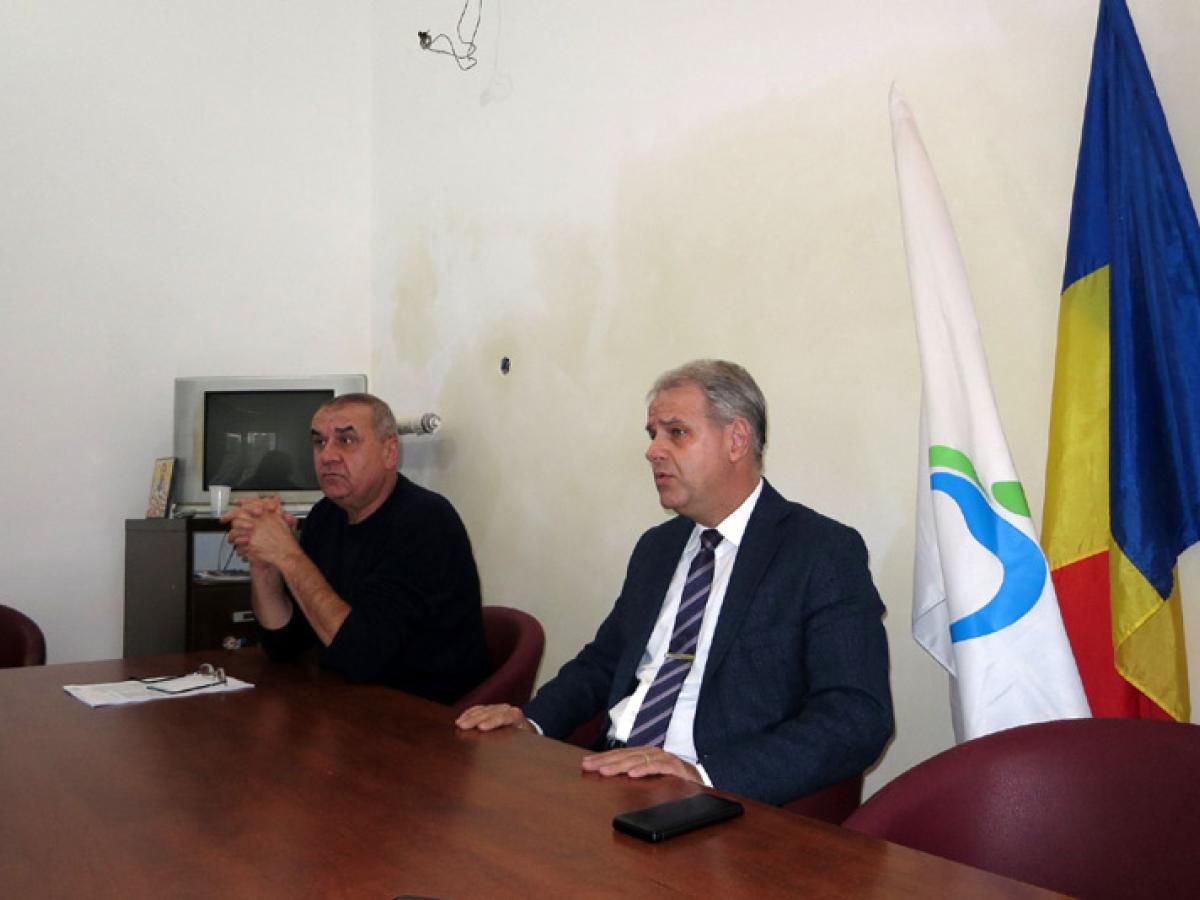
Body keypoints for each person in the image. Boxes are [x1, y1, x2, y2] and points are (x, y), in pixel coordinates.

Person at [456, 360, 893, 805]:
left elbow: (857, 716)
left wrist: (703, 775)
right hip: (612, 774)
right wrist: (531, 721)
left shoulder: (819, 551)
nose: (653, 451)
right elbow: (604, 663)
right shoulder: (658, 547)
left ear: (737, 440)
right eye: (653, 434)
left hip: (721, 799)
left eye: (676, 433)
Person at [224, 392, 490, 704]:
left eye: (346, 441)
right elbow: (285, 646)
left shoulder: (425, 522)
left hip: (423, 712)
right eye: (319, 442)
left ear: (390, 452)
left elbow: (362, 655)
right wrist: (265, 564)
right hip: (350, 699)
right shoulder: (325, 515)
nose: (327, 456)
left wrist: (288, 554)